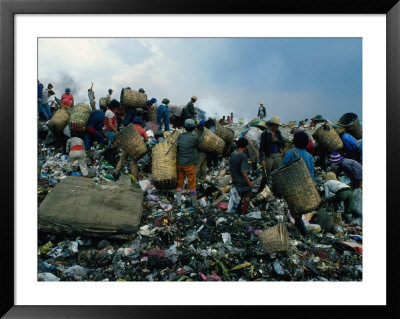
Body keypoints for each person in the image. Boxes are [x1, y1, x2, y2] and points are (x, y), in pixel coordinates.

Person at [176, 119, 200, 207]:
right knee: (192, 183)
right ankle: (194, 203)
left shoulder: (180, 136)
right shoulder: (194, 138)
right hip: (189, 164)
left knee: (180, 182)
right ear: (194, 128)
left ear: (184, 127)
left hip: (179, 163)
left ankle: (178, 203)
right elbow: (199, 146)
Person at [228, 137, 254, 215]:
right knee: (247, 198)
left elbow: (231, 169)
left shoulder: (233, 154)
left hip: (236, 180)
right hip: (243, 181)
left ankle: (237, 210)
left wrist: (233, 180)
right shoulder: (243, 156)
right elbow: (244, 172)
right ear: (245, 146)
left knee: (239, 196)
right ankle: (243, 213)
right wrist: (250, 183)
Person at [259, 116, 285, 183]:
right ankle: (263, 190)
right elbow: (261, 147)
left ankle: (275, 191)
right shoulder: (264, 134)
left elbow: (283, 144)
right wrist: (262, 159)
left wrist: (277, 140)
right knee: (265, 175)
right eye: (276, 125)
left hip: (278, 156)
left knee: (277, 175)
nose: (277, 127)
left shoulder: (278, 133)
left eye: (278, 126)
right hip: (268, 156)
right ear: (272, 125)